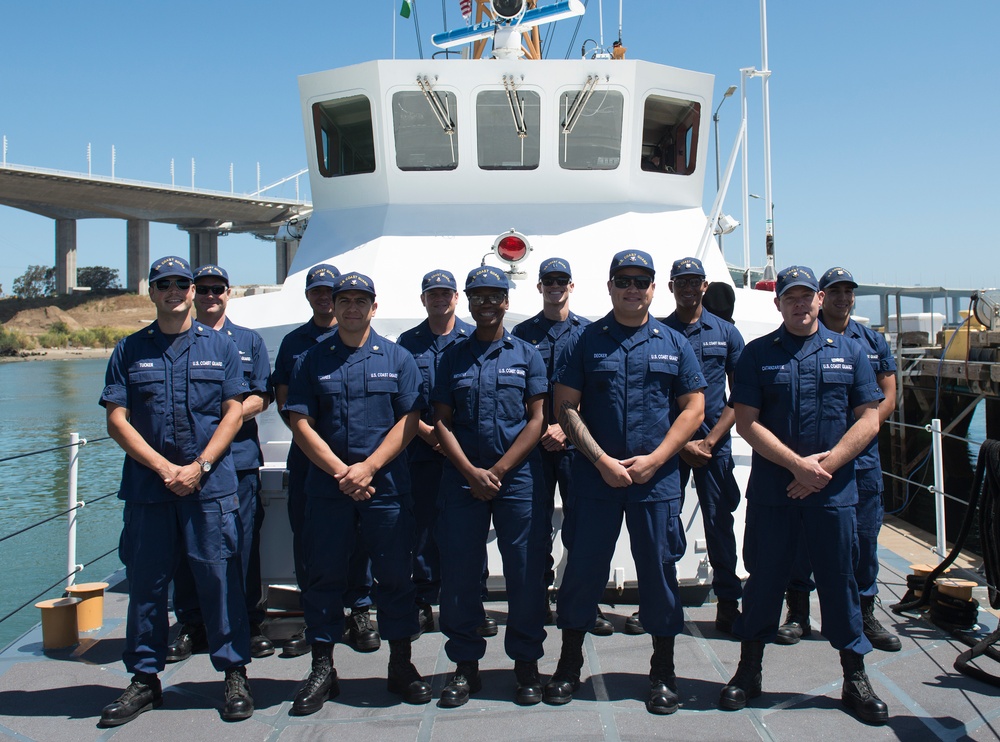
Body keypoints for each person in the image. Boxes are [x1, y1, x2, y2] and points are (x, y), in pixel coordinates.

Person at [720, 265, 889, 726]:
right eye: (789, 297)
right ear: (778, 304)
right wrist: (798, 466)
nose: (799, 304)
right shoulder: (756, 355)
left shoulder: (852, 352)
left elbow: (869, 418)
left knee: (840, 582)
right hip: (776, 493)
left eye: (806, 296)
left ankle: (854, 677)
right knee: (764, 581)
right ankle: (748, 670)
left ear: (819, 300)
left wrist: (824, 467)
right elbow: (746, 422)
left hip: (832, 494)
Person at [547, 249, 706, 715]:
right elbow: (565, 407)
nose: (632, 289)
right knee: (583, 571)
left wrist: (657, 459)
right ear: (611, 286)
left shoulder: (674, 342)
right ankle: (569, 662)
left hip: (655, 481)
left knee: (658, 572)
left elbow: (694, 408)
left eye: (641, 281)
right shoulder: (584, 341)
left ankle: (662, 670)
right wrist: (599, 460)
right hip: (596, 479)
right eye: (624, 280)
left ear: (654, 288)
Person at [98, 256, 253, 726]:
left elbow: (233, 411)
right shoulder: (128, 350)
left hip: (209, 486)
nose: (174, 291)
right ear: (151, 292)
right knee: (147, 584)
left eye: (182, 284)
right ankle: (145, 679)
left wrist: (200, 465)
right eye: (163, 284)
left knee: (221, 580)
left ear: (191, 291)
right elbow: (115, 419)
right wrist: (166, 467)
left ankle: (233, 673)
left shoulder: (221, 347)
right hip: (150, 488)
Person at [286, 271, 430, 714]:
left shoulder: (398, 357)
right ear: (333, 304)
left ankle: (401, 665)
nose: (351, 307)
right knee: (324, 578)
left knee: (394, 579)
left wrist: (367, 468)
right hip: (329, 491)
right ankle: (323, 668)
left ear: (374, 306)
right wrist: (339, 472)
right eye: (343, 299)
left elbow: (408, 421)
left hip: (384, 489)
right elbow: (300, 422)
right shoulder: (311, 360)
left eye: (359, 300)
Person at [432, 265, 549, 707]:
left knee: (523, 572)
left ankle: (526, 663)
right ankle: (465, 666)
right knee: (461, 574)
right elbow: (441, 420)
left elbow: (537, 419)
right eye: (477, 296)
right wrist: (470, 472)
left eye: (493, 296)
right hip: (462, 479)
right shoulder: (452, 357)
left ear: (506, 301)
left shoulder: (527, 354)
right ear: (467, 300)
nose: (485, 303)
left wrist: (496, 471)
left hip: (516, 478)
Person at [775, 267, 901, 652]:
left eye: (849, 291)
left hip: (858, 462)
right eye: (835, 291)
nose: (843, 298)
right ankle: (797, 612)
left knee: (863, 537)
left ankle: (863, 613)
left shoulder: (871, 342)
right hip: (807, 459)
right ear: (821, 297)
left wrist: (850, 444)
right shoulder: (799, 340)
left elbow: (887, 398)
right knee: (800, 541)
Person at [166, 264, 274, 664]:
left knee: (241, 546)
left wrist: (223, 416)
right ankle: (192, 624)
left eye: (219, 289)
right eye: (205, 289)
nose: (212, 296)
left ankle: (248, 621)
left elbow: (262, 396)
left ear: (229, 293)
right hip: (181, 465)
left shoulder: (247, 341)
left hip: (236, 461)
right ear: (195, 293)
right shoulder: (171, 342)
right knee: (184, 548)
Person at [271, 263, 379, 657]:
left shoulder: (363, 339)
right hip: (310, 458)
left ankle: (360, 609)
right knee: (310, 539)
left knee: (362, 539)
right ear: (312, 296)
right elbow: (286, 401)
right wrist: (321, 450)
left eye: (328, 290)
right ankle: (315, 616)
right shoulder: (296, 344)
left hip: (361, 462)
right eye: (318, 291)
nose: (323, 297)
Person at [511, 258, 611, 634]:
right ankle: (537, 602)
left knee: (583, 527)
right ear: (539, 287)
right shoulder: (521, 333)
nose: (555, 286)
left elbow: (596, 389)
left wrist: (566, 430)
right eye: (548, 281)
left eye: (562, 280)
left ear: (571, 286)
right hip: (533, 448)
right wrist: (542, 430)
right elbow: (517, 391)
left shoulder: (588, 333)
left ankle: (585, 602)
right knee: (535, 528)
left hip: (577, 448)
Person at [662, 257, 745, 634]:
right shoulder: (659, 332)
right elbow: (654, 399)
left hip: (716, 446)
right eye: (682, 282)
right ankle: (663, 602)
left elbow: (741, 395)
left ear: (705, 287)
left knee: (718, 524)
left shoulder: (726, 333)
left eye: (695, 282)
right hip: (671, 447)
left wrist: (710, 442)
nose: (689, 288)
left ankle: (728, 604)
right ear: (671, 287)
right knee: (664, 523)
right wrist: (680, 445)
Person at [397, 270, 473, 635]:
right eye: (433, 294)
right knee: (424, 526)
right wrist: (432, 436)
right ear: (423, 299)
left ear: (456, 297)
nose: (440, 299)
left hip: (468, 452)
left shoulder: (473, 337)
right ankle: (426, 599)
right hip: (423, 449)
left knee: (469, 527)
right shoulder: (407, 342)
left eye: (446, 293)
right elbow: (405, 400)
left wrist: (453, 443)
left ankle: (469, 599)